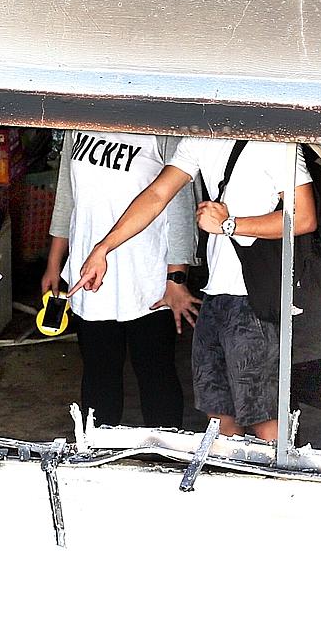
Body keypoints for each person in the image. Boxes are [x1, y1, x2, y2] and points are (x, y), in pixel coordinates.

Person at [74, 137, 315, 441]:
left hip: (256, 297)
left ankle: (280, 473)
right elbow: (157, 194)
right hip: (216, 295)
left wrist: (230, 225)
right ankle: (231, 470)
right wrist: (104, 248)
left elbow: (304, 217)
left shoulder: (272, 142)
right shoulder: (200, 139)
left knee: (265, 418)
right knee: (220, 417)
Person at [42, 130, 200, 428]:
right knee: (98, 372)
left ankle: (164, 451)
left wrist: (176, 277)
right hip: (89, 277)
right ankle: (97, 451)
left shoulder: (161, 130)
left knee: (155, 372)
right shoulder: (77, 123)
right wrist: (54, 262)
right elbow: (67, 196)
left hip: (148, 278)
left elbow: (180, 205)